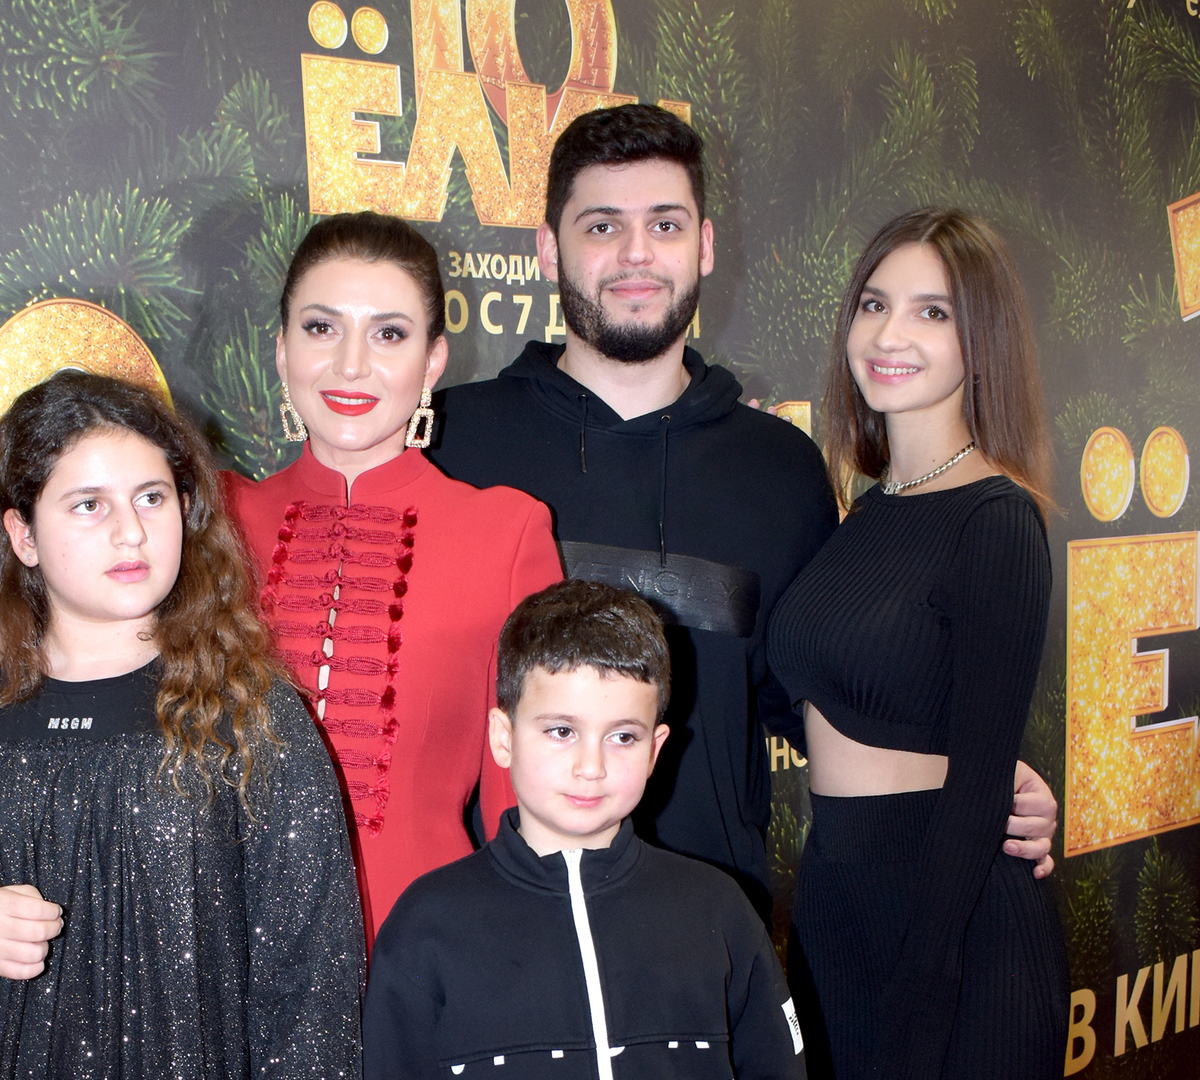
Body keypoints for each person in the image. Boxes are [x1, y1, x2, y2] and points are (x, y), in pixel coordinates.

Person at [426, 103, 1060, 916]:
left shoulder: (781, 467)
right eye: (601, 226)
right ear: (548, 249)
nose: (635, 253)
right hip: (495, 922)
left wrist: (980, 779)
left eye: (663, 224)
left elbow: (821, 693)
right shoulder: (451, 441)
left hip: (711, 928)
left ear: (704, 245)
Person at [0, 214, 564, 940]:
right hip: (224, 940)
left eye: (388, 334)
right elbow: (76, 603)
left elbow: (530, 789)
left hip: (432, 943)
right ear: (281, 350)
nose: (350, 365)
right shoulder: (209, 514)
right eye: (321, 328)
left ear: (433, 361)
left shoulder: (506, 532)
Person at [0, 372, 364, 1077]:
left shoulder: (253, 714)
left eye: (151, 497)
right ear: (23, 535)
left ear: (186, 510)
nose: (130, 531)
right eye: (87, 505)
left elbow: (311, 995)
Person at [766, 208, 1068, 1078]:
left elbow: (974, 788)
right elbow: (828, 706)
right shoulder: (868, 513)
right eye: (874, 304)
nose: (888, 334)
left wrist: (921, 995)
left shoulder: (995, 519)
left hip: (953, 937)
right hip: (839, 906)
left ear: (981, 342)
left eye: (931, 312)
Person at [364, 579, 806, 1079]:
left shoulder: (718, 909)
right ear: (504, 738)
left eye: (623, 737)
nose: (591, 767)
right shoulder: (426, 924)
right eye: (562, 731)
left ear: (655, 750)